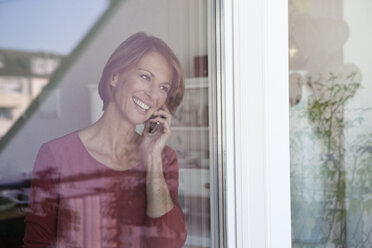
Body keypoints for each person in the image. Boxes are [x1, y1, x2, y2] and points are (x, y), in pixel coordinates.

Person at [23, 32, 187, 248]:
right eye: (145, 77)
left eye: (163, 88)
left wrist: (153, 159)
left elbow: (168, 244)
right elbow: (37, 243)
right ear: (115, 76)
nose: (153, 94)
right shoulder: (57, 154)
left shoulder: (164, 159)